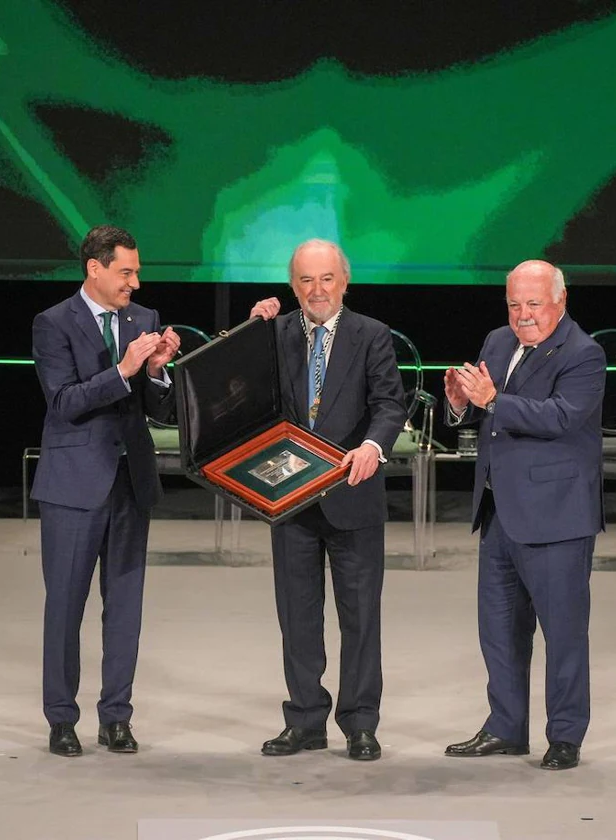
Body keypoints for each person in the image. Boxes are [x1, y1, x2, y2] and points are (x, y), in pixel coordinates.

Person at [442, 260, 604, 771]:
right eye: (514, 304)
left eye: (533, 304)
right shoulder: (496, 341)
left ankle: (565, 736)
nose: (523, 315)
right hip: (500, 512)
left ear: (560, 301)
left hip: (557, 516)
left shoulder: (584, 353)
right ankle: (506, 727)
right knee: (499, 630)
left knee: (564, 633)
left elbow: (560, 417)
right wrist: (460, 404)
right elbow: (485, 409)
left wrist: (492, 400)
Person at [248, 239, 405, 761]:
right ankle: (305, 720)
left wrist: (372, 445)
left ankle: (360, 723)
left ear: (345, 281)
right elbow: (243, 397)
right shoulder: (272, 335)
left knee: (360, 617)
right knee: (297, 615)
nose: (317, 290)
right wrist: (248, 334)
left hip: (353, 496)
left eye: (326, 279)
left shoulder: (373, 336)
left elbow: (389, 405)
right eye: (305, 281)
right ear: (293, 286)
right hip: (290, 499)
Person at [30, 225, 180, 757]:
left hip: (129, 483)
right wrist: (124, 369)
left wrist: (158, 373)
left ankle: (116, 716)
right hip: (73, 485)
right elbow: (65, 402)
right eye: (126, 272)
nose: (135, 283)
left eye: (137, 272)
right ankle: (61, 719)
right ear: (94, 268)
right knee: (65, 607)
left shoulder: (144, 322)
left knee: (126, 609)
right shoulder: (52, 324)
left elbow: (158, 410)